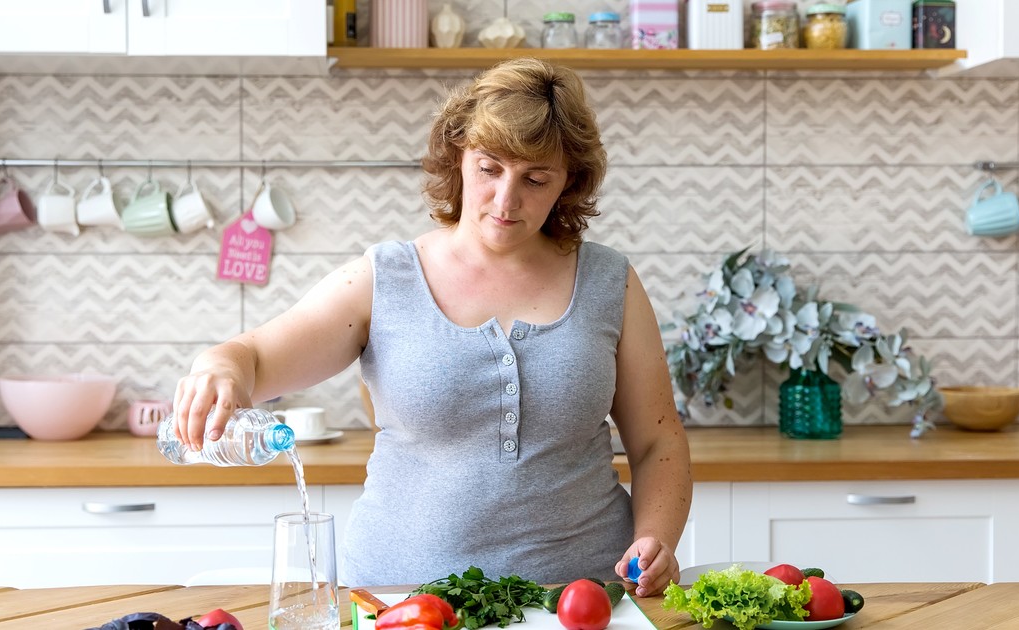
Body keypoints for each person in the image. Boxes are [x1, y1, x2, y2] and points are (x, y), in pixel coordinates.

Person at [171, 57, 692, 597]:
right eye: (489, 169)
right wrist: (221, 367)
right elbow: (254, 357)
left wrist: (656, 537)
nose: (506, 200)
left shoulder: (610, 281)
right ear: (458, 155)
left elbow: (657, 440)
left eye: (535, 179)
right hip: (401, 599)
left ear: (568, 183)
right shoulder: (385, 278)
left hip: (583, 600)